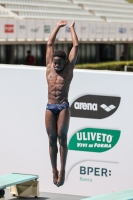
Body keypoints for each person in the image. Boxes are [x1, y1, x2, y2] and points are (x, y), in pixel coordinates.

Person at [45, 20, 79, 187]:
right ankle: (54, 170)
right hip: (50, 107)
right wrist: (57, 26)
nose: (56, 65)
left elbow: (76, 45)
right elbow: (50, 43)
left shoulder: (68, 69)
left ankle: (63, 170)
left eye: (59, 63)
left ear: (65, 62)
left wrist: (71, 28)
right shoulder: (49, 67)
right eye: (55, 62)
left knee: (62, 139)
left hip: (63, 106)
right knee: (51, 139)